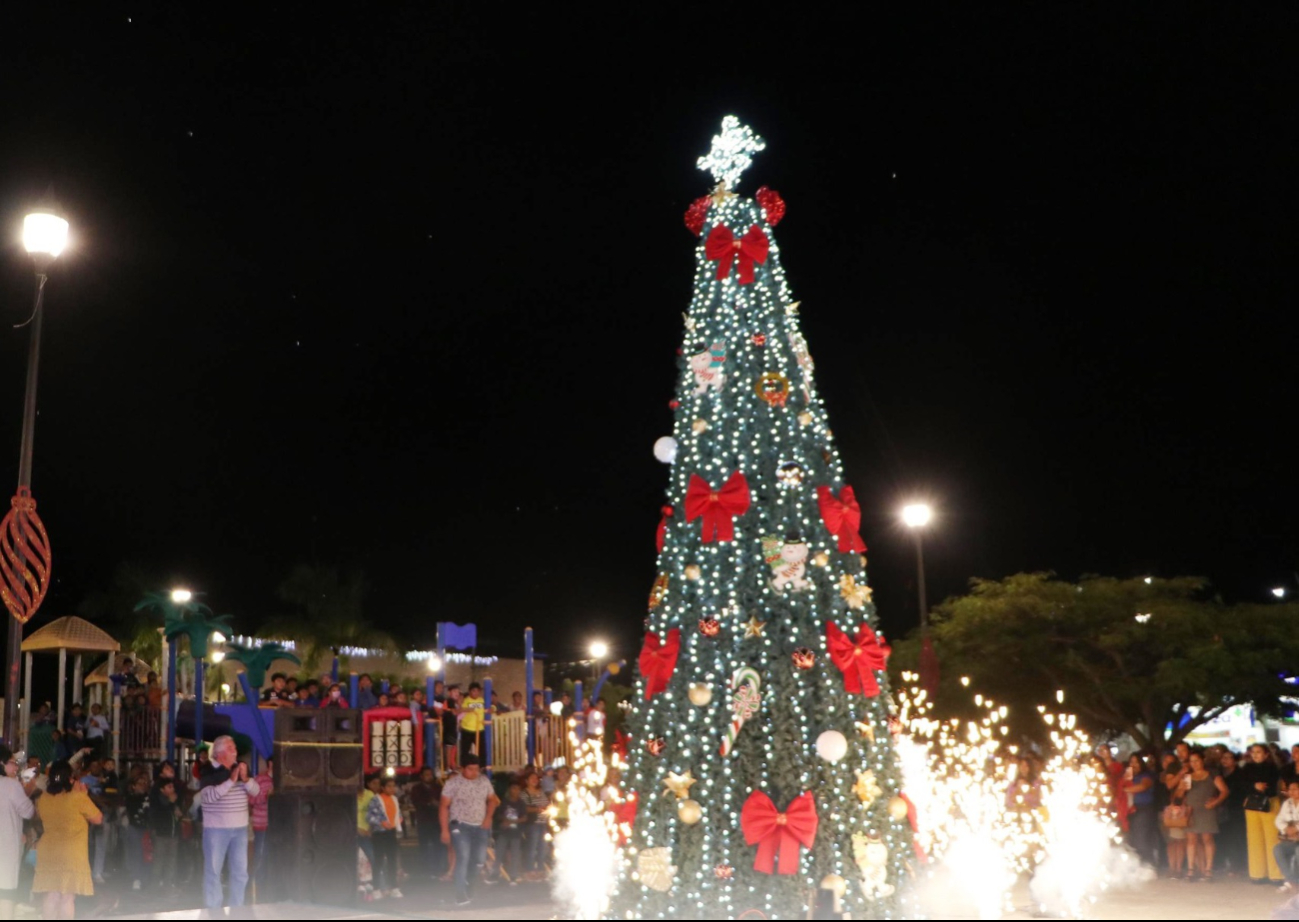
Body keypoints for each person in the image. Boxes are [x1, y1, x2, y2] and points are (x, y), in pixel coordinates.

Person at [33, 760, 103, 919]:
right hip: (71, 853)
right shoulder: (77, 797)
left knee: (51, 895)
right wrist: (84, 795)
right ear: (70, 778)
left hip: (48, 851)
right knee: (67, 897)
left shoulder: (44, 798)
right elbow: (98, 818)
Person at [198, 735, 261, 908]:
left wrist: (246, 779)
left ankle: (237, 907)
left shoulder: (240, 768)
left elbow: (256, 792)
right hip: (216, 830)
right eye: (231, 748)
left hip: (240, 829)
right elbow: (208, 797)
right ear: (219, 753)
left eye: (234, 747)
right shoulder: (208, 770)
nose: (235, 751)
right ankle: (213, 909)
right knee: (213, 872)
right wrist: (231, 781)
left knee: (241, 872)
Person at [440, 756, 500, 906]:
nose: (474, 772)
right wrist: (444, 830)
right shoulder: (453, 783)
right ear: (462, 768)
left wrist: (488, 818)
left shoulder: (484, 781)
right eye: (470, 769)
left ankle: (469, 884)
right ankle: (460, 894)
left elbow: (493, 800)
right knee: (463, 857)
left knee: (479, 860)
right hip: (460, 825)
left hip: (480, 826)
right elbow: (443, 806)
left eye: (476, 769)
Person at [0, 745, 37, 920]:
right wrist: (27, 791)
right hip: (5, 851)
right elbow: (28, 811)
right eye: (12, 763)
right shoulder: (10, 785)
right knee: (5, 897)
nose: (15, 768)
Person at [1183, 750, 1229, 880]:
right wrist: (1181, 786)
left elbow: (1224, 791)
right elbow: (1182, 794)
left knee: (1207, 839)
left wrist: (1215, 802)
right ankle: (1191, 869)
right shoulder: (1188, 776)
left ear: (1202, 760)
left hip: (1206, 809)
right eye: (1191, 761)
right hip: (1192, 810)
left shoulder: (1212, 775)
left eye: (1196, 761)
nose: (1194, 764)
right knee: (1191, 840)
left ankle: (1208, 869)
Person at [1242, 742, 1284, 884]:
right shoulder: (1247, 767)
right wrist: (1254, 786)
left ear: (1266, 754)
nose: (1255, 754)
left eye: (1259, 752)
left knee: (1272, 839)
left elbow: (1271, 786)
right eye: (1253, 752)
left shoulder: (1273, 767)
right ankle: (1257, 873)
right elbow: (1242, 785)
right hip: (1252, 804)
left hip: (1270, 802)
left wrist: (1257, 786)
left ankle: (1276, 875)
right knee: (1254, 839)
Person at [366, 775, 404, 899]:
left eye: (393, 786)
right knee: (379, 861)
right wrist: (381, 822)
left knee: (392, 860)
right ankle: (376, 888)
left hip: (391, 832)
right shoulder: (376, 800)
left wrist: (399, 819)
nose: (392, 789)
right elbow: (369, 817)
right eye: (389, 786)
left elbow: (398, 813)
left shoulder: (394, 799)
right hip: (379, 833)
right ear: (382, 787)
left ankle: (394, 887)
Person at [148, 776, 183, 890]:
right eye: (169, 787)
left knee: (171, 860)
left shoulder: (174, 800)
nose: (172, 789)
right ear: (162, 790)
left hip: (173, 834)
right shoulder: (158, 800)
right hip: (161, 834)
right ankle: (155, 884)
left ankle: (168, 884)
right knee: (159, 860)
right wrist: (170, 803)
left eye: (173, 787)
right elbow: (160, 814)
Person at [408, 766, 443, 878]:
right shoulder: (416, 788)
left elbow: (441, 802)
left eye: (430, 774)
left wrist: (434, 804)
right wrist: (430, 803)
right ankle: (425, 869)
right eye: (426, 775)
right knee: (424, 846)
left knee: (438, 845)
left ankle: (437, 868)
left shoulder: (437, 787)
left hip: (436, 821)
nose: (429, 777)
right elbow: (417, 802)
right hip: (423, 820)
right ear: (421, 776)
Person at [1219, 749, 1250, 875]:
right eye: (1223, 757)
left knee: (1239, 837)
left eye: (1229, 757)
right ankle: (1232, 863)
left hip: (1238, 808)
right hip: (1225, 809)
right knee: (1228, 837)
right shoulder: (1220, 774)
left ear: (1235, 760)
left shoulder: (1241, 774)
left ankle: (1242, 864)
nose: (1225, 760)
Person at [1162, 753, 1189, 878]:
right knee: (1171, 841)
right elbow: (1171, 787)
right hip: (1172, 807)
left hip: (1182, 807)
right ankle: (1172, 867)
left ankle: (1178, 868)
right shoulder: (1177, 773)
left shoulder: (1189, 775)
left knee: (1180, 840)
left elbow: (1183, 791)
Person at [521, 769, 550, 880]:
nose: (534, 780)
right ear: (527, 780)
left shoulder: (541, 792)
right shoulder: (524, 793)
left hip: (543, 823)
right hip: (532, 824)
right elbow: (524, 808)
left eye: (536, 778)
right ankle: (530, 870)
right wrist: (537, 809)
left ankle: (540, 869)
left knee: (543, 847)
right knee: (532, 847)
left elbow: (547, 803)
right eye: (532, 778)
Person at [123, 773, 151, 890]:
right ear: (133, 786)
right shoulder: (130, 797)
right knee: (137, 852)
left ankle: (146, 877)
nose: (142, 786)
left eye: (144, 784)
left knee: (147, 853)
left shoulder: (149, 797)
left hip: (147, 828)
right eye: (139, 784)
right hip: (135, 827)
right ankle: (136, 878)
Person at [494, 781, 527, 882]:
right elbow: (499, 815)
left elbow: (524, 818)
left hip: (516, 832)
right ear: (509, 790)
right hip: (504, 831)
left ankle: (514, 875)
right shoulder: (505, 802)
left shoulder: (521, 803)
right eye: (513, 788)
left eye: (518, 789)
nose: (516, 791)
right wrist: (504, 820)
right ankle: (494, 873)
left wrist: (512, 821)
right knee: (499, 852)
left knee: (515, 854)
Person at [250, 760, 273, 895]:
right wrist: (266, 796)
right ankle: (259, 888)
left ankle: (272, 887)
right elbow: (251, 800)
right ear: (270, 763)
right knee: (261, 856)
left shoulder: (284, 779)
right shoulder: (259, 779)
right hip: (262, 825)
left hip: (280, 825)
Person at [357, 774, 381, 899]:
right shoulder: (349, 795)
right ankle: (358, 883)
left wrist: (371, 830)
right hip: (352, 833)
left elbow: (375, 814)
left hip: (366, 833)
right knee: (356, 859)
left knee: (371, 857)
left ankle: (373, 883)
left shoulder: (369, 795)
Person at [1275, 780, 1299, 893]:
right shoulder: (1287, 803)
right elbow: (1278, 820)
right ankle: (1290, 880)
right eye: (1290, 789)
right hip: (1291, 839)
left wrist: (1296, 828)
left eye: (1295, 789)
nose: (1291, 792)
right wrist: (1285, 828)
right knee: (1278, 849)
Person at [459, 684, 487, 765]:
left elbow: (489, 707)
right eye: (473, 691)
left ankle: (482, 767)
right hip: (467, 729)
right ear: (469, 691)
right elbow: (461, 709)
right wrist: (467, 709)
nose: (476, 693)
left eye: (477, 691)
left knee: (482, 750)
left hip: (479, 729)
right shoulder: (466, 700)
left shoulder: (482, 700)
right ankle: (464, 767)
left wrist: (493, 709)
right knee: (464, 750)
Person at [442, 686, 462, 770]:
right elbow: (454, 712)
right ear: (449, 692)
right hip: (449, 727)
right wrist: (464, 709)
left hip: (452, 727)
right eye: (454, 691)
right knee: (449, 748)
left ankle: (451, 765)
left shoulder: (454, 702)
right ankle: (448, 767)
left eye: (458, 691)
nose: (456, 693)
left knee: (453, 747)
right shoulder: (449, 701)